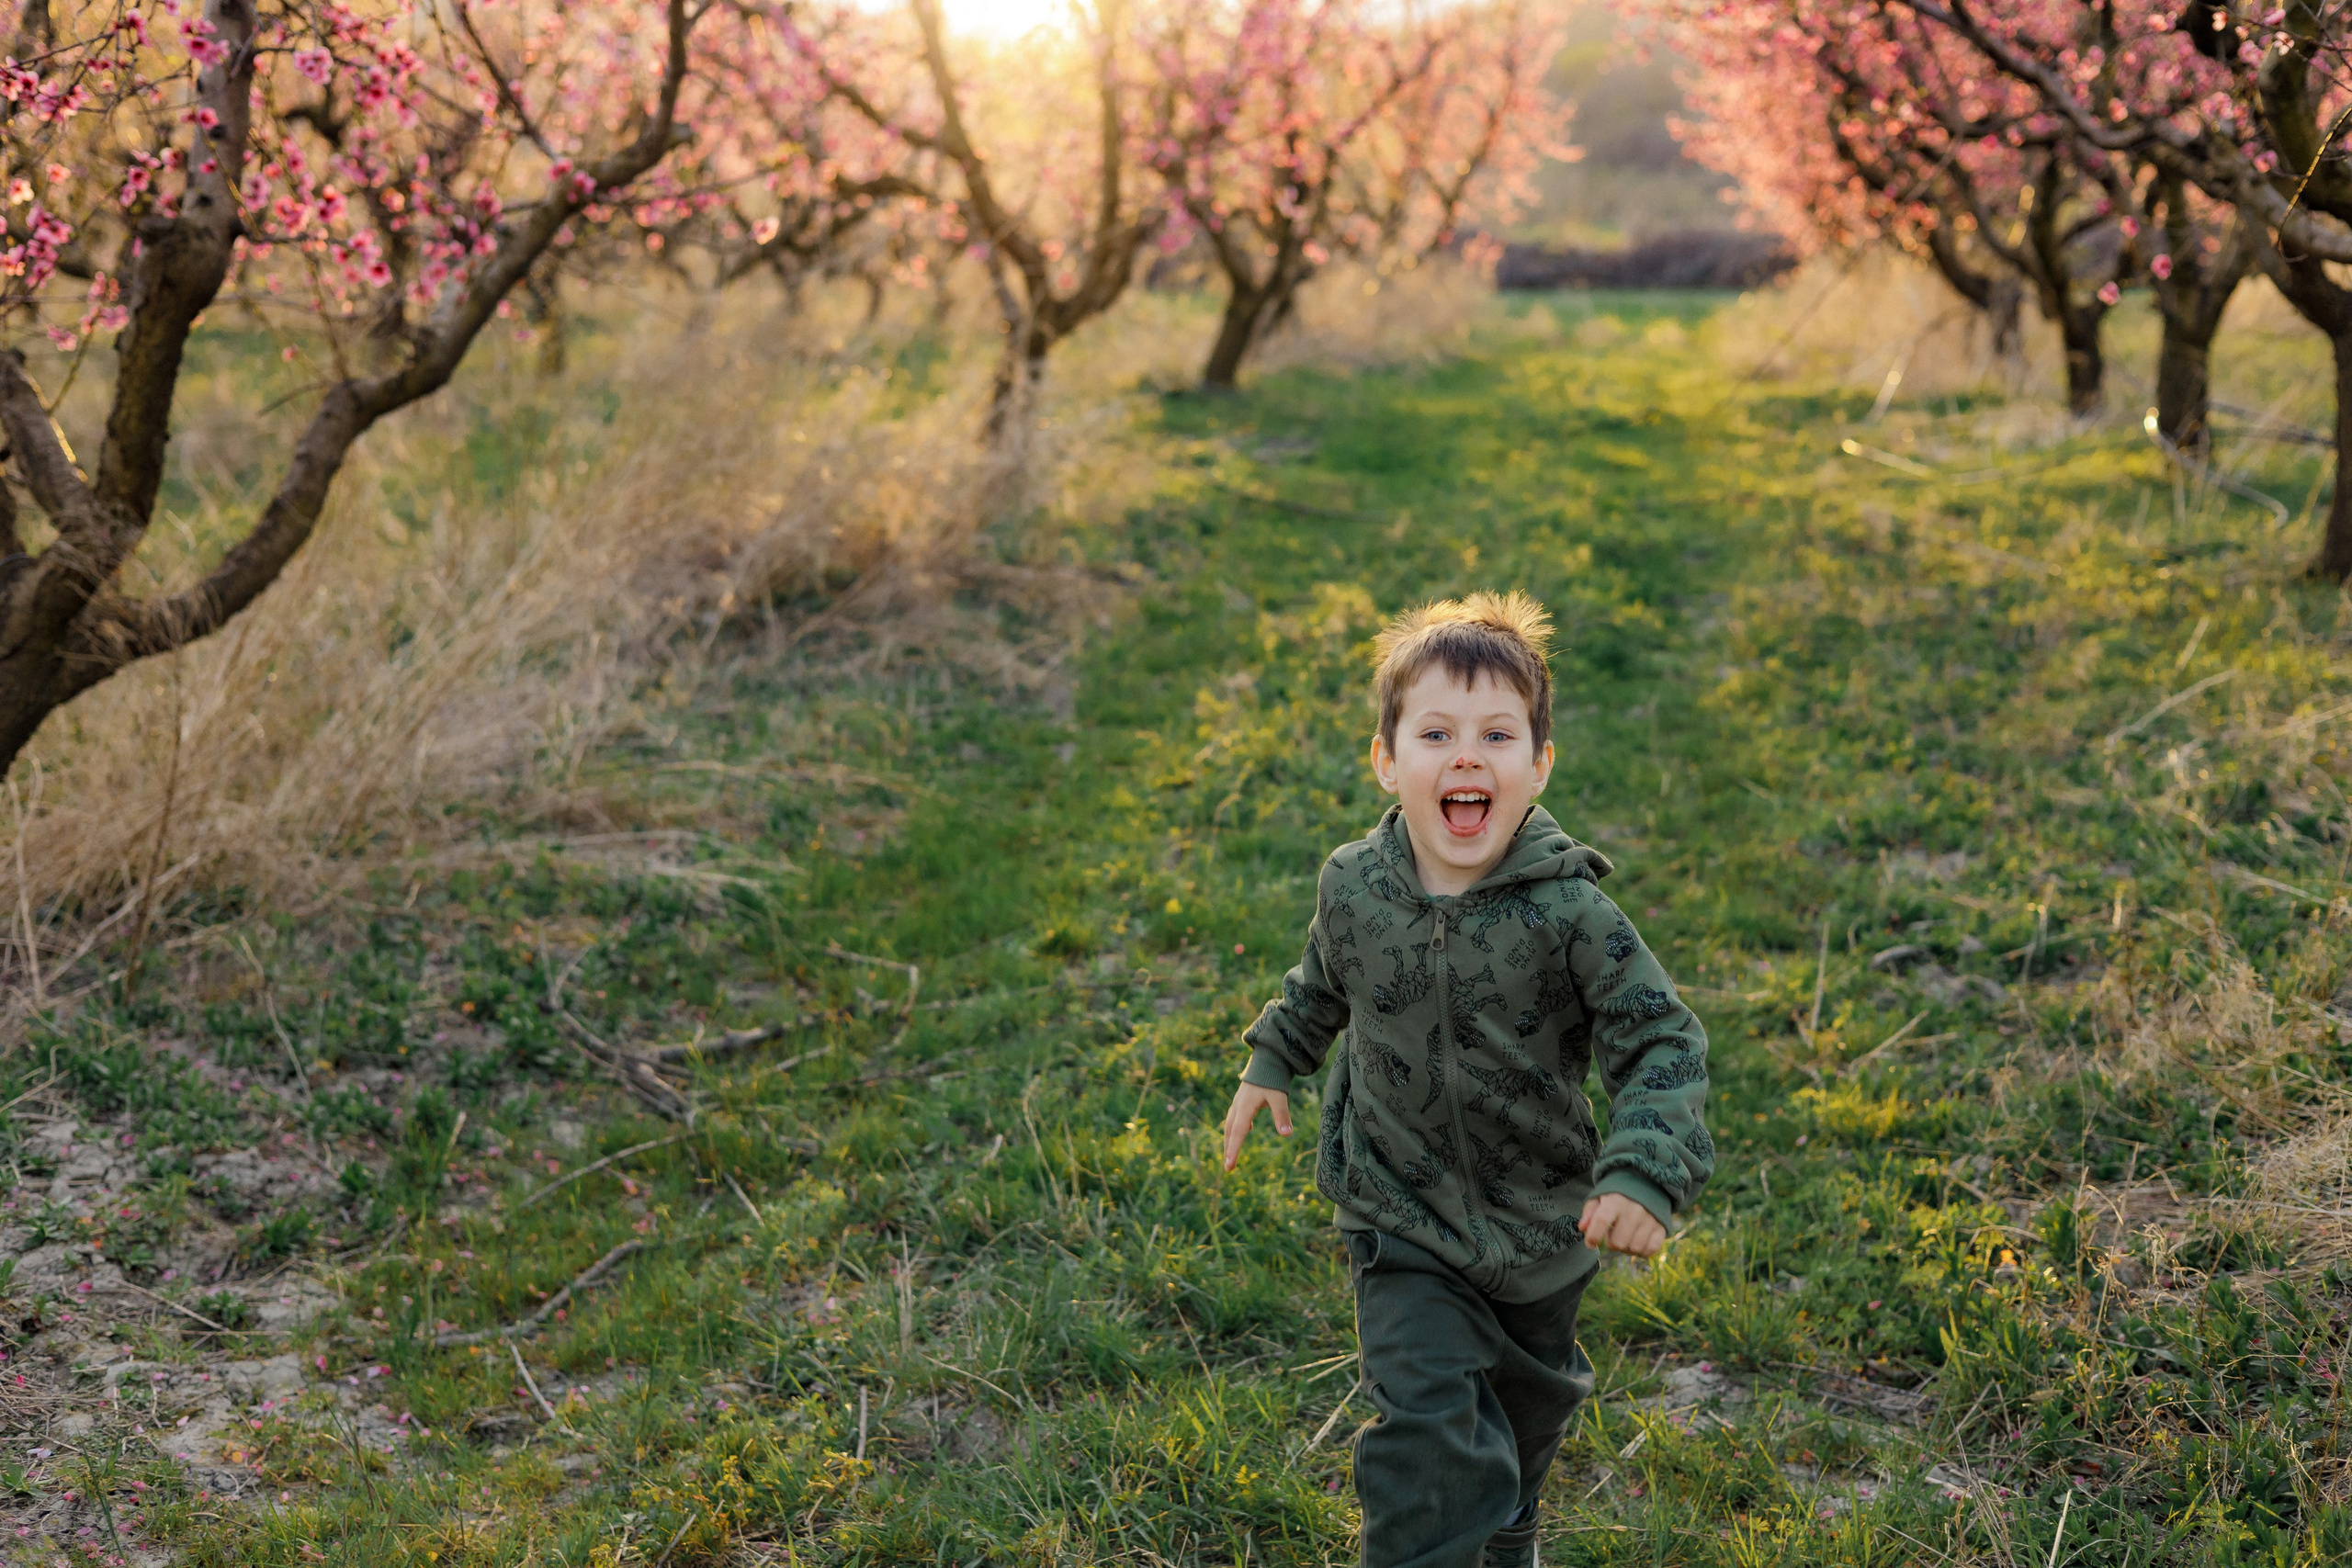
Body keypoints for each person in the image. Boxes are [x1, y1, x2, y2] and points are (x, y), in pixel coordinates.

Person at [1221, 591, 1714, 1568]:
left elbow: (1659, 1037)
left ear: (1539, 765)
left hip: (1540, 1219)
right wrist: (1275, 1056)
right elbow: (1323, 979)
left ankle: (1510, 1526)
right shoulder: (1354, 884)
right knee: (1431, 1429)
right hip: (1396, 1211)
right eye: (1436, 733)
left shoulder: (1571, 915)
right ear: (1386, 759)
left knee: (1523, 1422)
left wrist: (1643, 1171)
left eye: (1496, 735)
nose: (1465, 758)